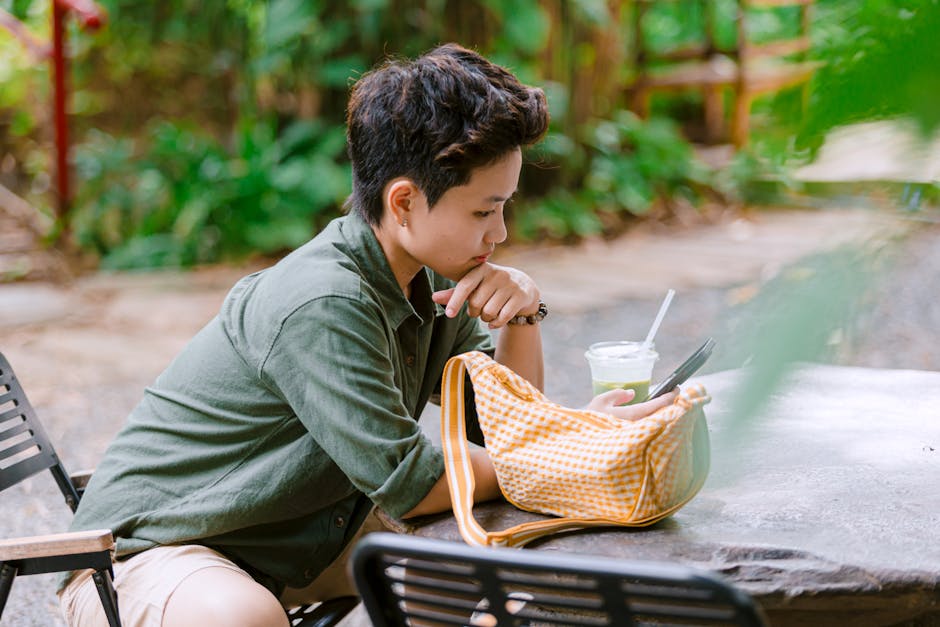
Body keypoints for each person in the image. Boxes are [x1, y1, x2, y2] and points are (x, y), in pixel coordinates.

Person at [58, 43, 676, 626]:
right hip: (152, 552)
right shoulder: (324, 302)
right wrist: (566, 453)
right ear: (404, 203)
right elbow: (411, 484)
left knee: (501, 552)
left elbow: (502, 427)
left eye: (505, 206)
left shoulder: (430, 277)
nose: (501, 234)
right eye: (485, 210)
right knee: (241, 618)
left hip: (286, 534)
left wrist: (521, 316)